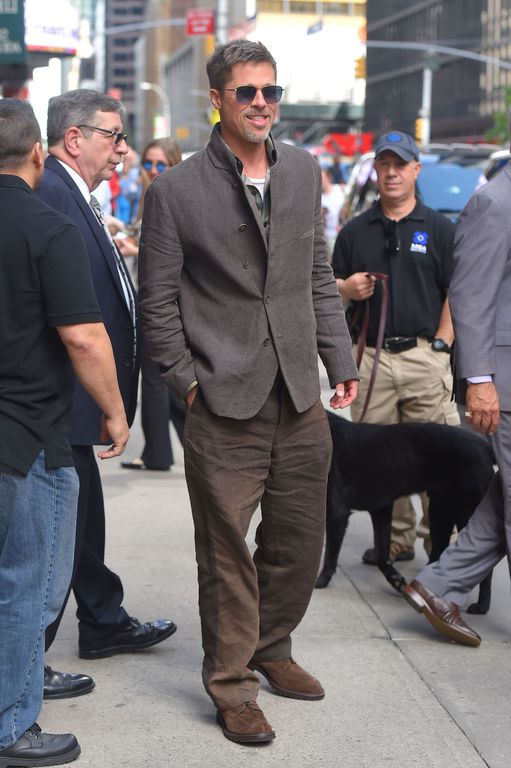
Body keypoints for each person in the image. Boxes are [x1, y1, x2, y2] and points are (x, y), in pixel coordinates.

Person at [139, 39, 358, 744]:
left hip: (299, 394)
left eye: (269, 91)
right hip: (221, 402)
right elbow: (158, 304)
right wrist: (186, 384)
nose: (261, 103)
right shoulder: (174, 190)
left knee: (297, 542)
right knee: (226, 552)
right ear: (218, 100)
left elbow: (316, 275)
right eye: (246, 92)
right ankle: (232, 686)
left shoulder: (303, 171)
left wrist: (337, 355)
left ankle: (272, 648)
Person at [0, 99, 129, 766]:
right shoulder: (48, 227)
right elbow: (82, 336)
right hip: (26, 435)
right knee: (28, 584)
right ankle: (11, 727)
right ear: (41, 155)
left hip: (25, 435)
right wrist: (114, 409)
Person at [37, 89, 176, 699]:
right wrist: (113, 406)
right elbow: (74, 323)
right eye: (114, 137)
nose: (123, 150)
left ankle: (102, 619)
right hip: (62, 404)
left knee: (81, 522)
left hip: (75, 405)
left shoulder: (78, 196)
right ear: (75, 139)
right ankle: (26, 663)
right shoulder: (53, 197)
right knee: (50, 542)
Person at [403, 121, 511, 648]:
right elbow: (469, 296)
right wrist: (481, 382)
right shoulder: (495, 202)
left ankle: (436, 586)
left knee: (500, 501)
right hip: (505, 385)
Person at [332, 130, 459, 563]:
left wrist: (442, 344)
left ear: (415, 170)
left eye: (400, 165)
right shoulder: (355, 231)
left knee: (434, 454)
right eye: (384, 164)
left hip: (425, 356)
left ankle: (436, 540)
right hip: (372, 359)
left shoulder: (440, 229)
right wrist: (346, 286)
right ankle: (396, 538)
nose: (391, 173)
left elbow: (457, 292)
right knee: (381, 457)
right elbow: (324, 288)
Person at [119, 138, 187, 472]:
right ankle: (166, 449)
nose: (154, 171)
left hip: (164, 304)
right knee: (163, 383)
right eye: (149, 164)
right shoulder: (151, 197)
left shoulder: (176, 198)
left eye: (162, 164)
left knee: (157, 382)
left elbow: (179, 255)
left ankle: (158, 453)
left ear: (175, 166)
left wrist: (135, 250)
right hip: (151, 300)